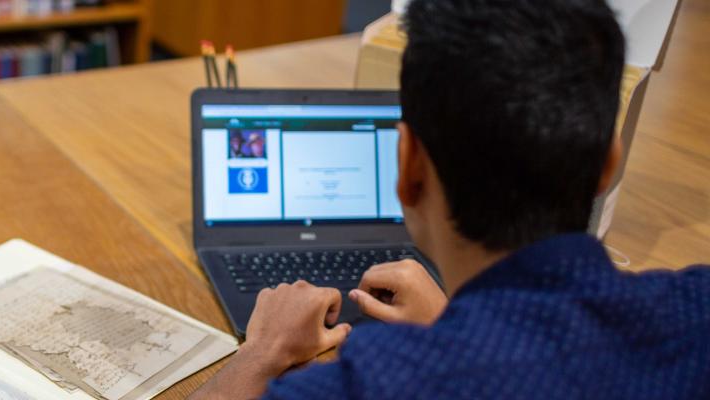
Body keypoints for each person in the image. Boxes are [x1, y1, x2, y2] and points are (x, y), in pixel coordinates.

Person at [190, 0, 710, 398]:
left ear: (408, 168)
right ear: (609, 164)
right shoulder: (696, 310)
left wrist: (259, 354)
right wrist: (451, 325)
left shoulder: (376, 382)